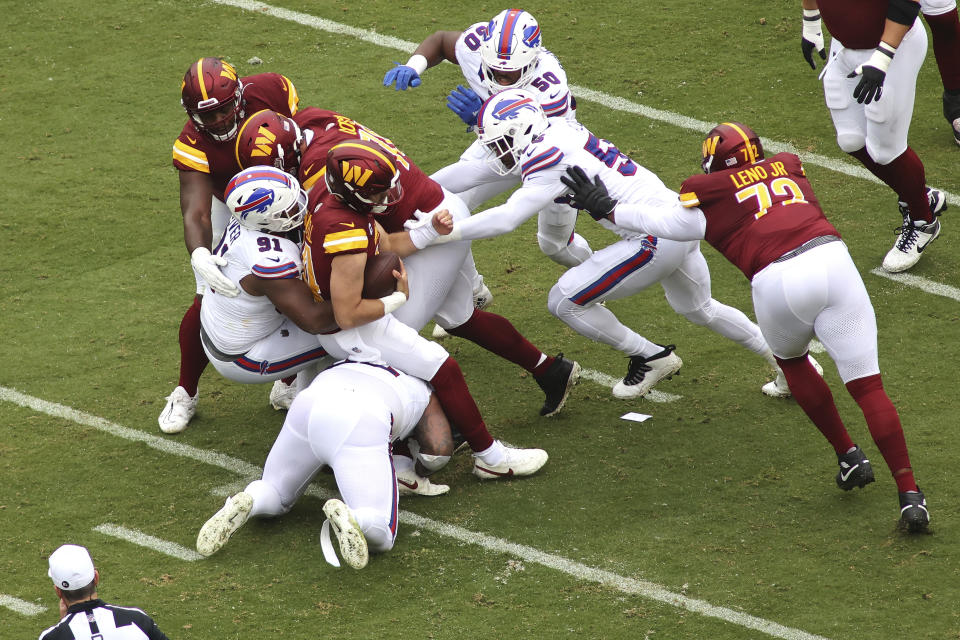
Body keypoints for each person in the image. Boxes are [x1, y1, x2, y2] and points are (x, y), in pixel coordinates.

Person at [561, 121, 930, 532]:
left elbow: (662, 221)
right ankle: (911, 495)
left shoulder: (709, 196)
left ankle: (848, 455)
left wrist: (607, 209)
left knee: (793, 363)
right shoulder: (788, 167)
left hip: (778, 279)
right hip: (832, 259)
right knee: (868, 387)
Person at [427, 90, 794, 399]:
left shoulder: (546, 159)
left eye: (502, 144)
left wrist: (445, 230)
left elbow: (506, 219)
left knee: (564, 302)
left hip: (653, 237)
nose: (500, 153)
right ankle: (791, 368)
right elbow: (479, 171)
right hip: (674, 219)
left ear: (521, 132)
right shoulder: (557, 130)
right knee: (701, 309)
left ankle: (650, 356)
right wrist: (422, 186)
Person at [234, 108, 581, 417]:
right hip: (431, 211)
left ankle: (441, 433)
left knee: (387, 345)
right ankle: (551, 371)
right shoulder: (311, 119)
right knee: (460, 317)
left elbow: (352, 229)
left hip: (424, 231)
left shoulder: (319, 175)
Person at [382, 9, 594, 338]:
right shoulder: (475, 45)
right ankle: (474, 292)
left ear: (532, 61)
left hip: (547, 156)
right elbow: (440, 41)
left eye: (510, 74)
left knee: (554, 245)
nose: (501, 78)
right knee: (440, 201)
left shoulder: (550, 89)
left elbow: (529, 155)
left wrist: (480, 118)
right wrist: (414, 65)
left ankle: (593, 278)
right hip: (495, 142)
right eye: (495, 70)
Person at [196, 360, 475, 568]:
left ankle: (249, 500)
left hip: (310, 402)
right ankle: (355, 518)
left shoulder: (359, 356)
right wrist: (421, 463)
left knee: (275, 490)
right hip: (361, 418)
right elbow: (436, 451)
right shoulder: (425, 387)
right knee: (382, 532)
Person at [161, 56, 303, 435]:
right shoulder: (192, 141)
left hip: (287, 193)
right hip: (232, 203)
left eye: (224, 110)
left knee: (303, 280)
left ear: (240, 96)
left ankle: (288, 383)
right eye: (209, 116)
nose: (220, 121)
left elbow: (294, 140)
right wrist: (200, 254)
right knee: (207, 294)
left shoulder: (271, 90)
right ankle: (185, 391)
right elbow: (196, 211)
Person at [799, 1, 947, 273]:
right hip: (845, 48)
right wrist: (810, 21)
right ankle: (919, 197)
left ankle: (923, 222)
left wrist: (882, 58)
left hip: (894, 49)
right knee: (850, 139)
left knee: (885, 150)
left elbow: (905, 5)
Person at [198, 166, 337, 395]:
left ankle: (295, 392)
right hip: (243, 356)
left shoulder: (247, 220)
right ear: (266, 217)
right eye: (288, 205)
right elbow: (314, 321)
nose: (299, 204)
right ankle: (316, 405)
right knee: (348, 331)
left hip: (220, 325)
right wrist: (369, 297)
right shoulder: (269, 259)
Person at [39, 544, 169, 639]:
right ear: (96, 578)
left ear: (58, 591)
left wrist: (63, 624)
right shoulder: (137, 619)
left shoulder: (52, 637)